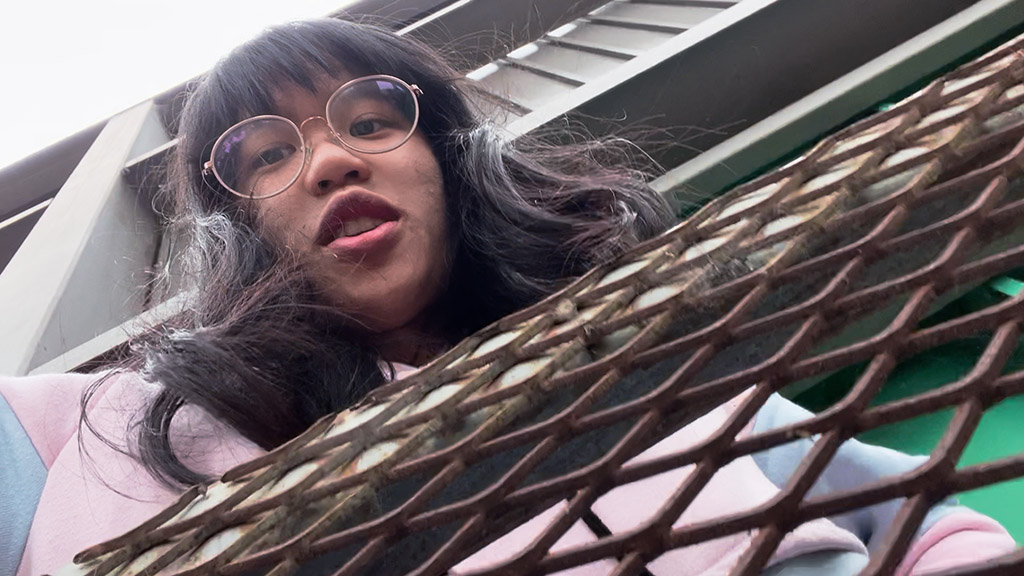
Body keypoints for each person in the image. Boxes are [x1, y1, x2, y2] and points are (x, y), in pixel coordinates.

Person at [0, 18, 1014, 576]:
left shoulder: (647, 360)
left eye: (370, 118)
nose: (329, 163)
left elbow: (917, 522)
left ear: (442, 156)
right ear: (238, 221)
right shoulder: (79, 434)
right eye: (266, 154)